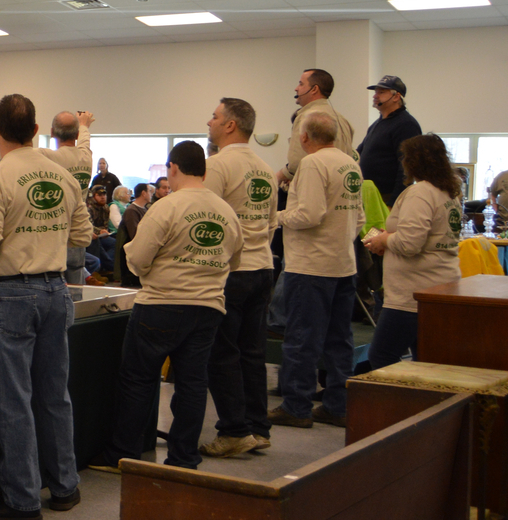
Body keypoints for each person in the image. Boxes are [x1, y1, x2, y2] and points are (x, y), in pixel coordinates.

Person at [0, 94, 92, 520]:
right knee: (54, 395)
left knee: (12, 399)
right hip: (56, 289)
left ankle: (22, 499)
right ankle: (65, 486)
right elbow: (83, 236)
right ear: (35, 131)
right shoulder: (64, 176)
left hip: (10, 293)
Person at [90, 142, 241, 473]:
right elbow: (235, 259)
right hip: (208, 307)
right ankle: (183, 458)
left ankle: (123, 454)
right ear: (204, 170)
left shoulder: (166, 207)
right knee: (192, 383)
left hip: (161, 305)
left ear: (172, 168)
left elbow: (138, 259)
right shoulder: (226, 210)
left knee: (138, 380)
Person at [196, 98, 280, 458]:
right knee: (253, 352)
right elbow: (272, 222)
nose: (209, 121)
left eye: (215, 116)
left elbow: (205, 219)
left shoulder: (217, 165)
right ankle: (258, 427)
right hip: (262, 267)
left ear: (230, 125)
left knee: (222, 353)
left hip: (231, 272)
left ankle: (233, 431)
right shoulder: (265, 168)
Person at [271, 113, 365, 430]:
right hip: (344, 264)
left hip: (311, 266)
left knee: (302, 338)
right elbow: (359, 219)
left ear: (304, 138)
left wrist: (277, 217)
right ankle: (338, 406)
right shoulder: (350, 164)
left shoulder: (312, 164)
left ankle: (296, 407)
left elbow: (309, 214)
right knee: (340, 339)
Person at [0, 108, 94, 283]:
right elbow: (84, 143)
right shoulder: (86, 157)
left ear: (51, 133)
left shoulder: (48, 157)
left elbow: (1, 149)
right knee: (75, 292)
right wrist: (84, 126)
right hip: (66, 240)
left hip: (37, 248)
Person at [364, 135, 462, 371]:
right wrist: (388, 240)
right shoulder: (448, 192)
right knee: (426, 362)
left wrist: (384, 239)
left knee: (381, 357)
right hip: (439, 288)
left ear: (414, 161)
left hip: (412, 295)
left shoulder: (420, 193)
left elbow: (409, 243)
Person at [278, 69, 357, 188]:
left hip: (314, 186)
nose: (296, 88)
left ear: (314, 89)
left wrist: (279, 177)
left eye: (301, 84)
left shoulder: (307, 117)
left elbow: (296, 163)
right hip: (341, 188)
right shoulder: (343, 120)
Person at [357, 75, 422, 206]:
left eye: (381, 92)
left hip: (387, 197)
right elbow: (359, 153)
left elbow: (406, 167)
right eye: (375, 92)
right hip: (370, 194)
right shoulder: (377, 124)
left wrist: (394, 202)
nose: (375, 96)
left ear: (396, 97)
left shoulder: (406, 124)